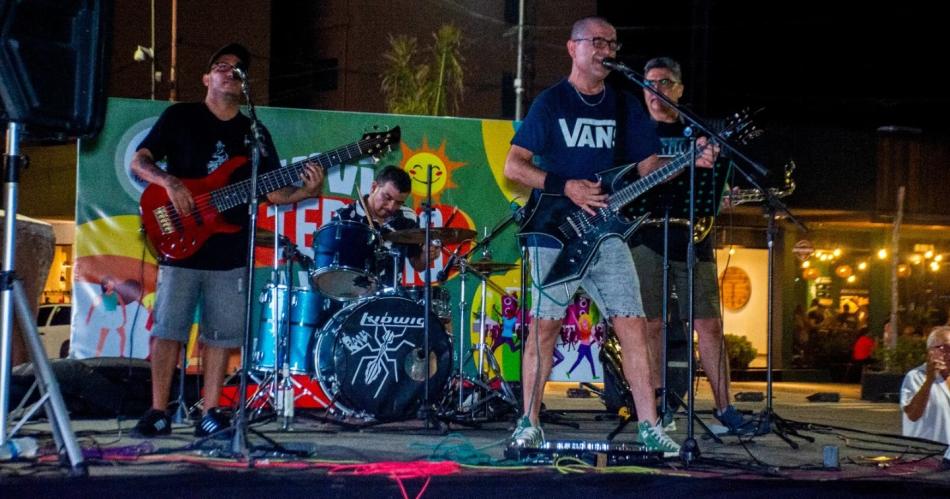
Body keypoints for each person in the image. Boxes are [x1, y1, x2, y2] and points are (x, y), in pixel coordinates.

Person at [502, 17, 718, 456]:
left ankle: (650, 426)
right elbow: (514, 165)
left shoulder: (624, 105)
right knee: (545, 326)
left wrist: (688, 160)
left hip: (607, 232)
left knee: (633, 324)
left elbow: (648, 168)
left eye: (612, 43)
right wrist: (566, 186)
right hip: (554, 230)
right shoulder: (552, 102)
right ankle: (529, 423)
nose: (606, 50)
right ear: (573, 47)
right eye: (597, 41)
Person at [129, 43, 324, 438]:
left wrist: (305, 192)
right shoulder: (180, 116)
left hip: (230, 247)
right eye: (221, 66)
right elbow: (139, 161)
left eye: (238, 69)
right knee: (168, 329)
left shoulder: (254, 132)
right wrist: (170, 182)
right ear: (206, 78)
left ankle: (211, 411)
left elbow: (272, 191)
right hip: (180, 243)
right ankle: (157, 411)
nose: (230, 71)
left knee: (221, 334)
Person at [628, 56, 757, 435]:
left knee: (710, 324)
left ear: (680, 89)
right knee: (651, 324)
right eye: (649, 83)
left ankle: (725, 408)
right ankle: (658, 407)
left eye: (665, 82)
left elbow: (715, 183)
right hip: (646, 234)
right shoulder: (635, 131)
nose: (656, 90)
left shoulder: (697, 131)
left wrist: (722, 194)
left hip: (693, 236)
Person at [331, 165, 440, 282]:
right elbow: (330, 268)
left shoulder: (409, 218)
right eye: (387, 198)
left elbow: (418, 265)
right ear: (374, 187)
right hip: (352, 289)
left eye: (399, 203)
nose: (391, 207)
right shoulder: (345, 216)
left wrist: (426, 256)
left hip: (391, 292)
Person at [900, 326, 950, 468]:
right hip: (923, 457)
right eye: (945, 348)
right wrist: (929, 380)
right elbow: (913, 414)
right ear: (930, 351)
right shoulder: (915, 377)